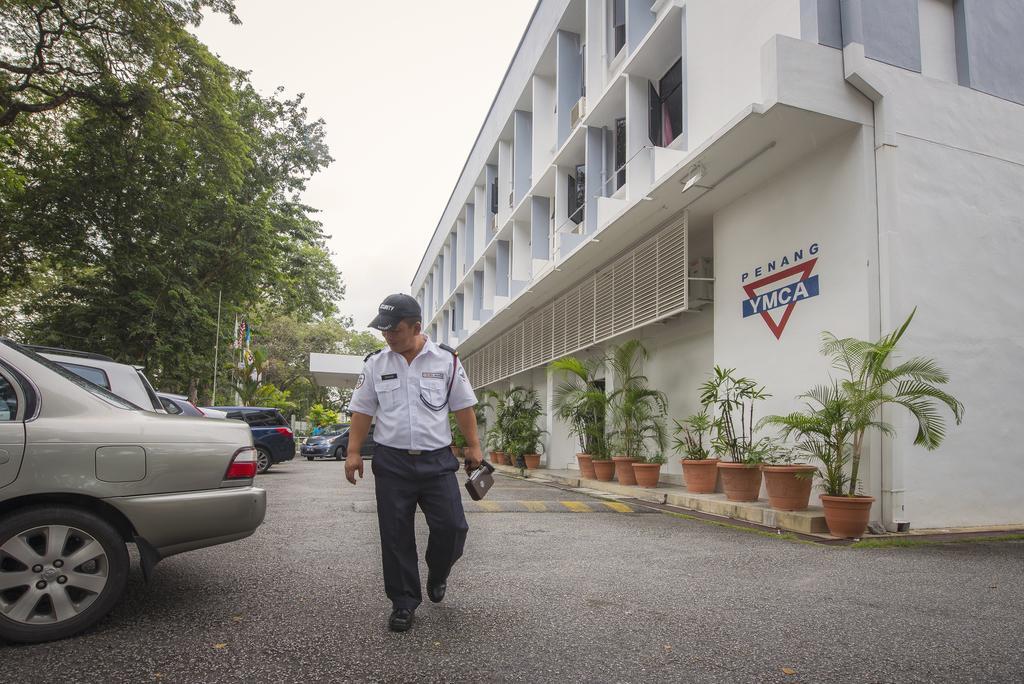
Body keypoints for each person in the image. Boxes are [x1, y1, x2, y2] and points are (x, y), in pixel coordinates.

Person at [345, 293, 483, 633]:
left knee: (452, 527)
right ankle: (403, 602)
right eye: (384, 330)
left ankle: (438, 571)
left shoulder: (446, 361)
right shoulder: (376, 363)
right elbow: (362, 410)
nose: (388, 336)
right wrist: (352, 452)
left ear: (416, 327)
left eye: (395, 330)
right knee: (395, 535)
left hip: (437, 461)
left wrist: (474, 447)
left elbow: (463, 406)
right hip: (391, 461)